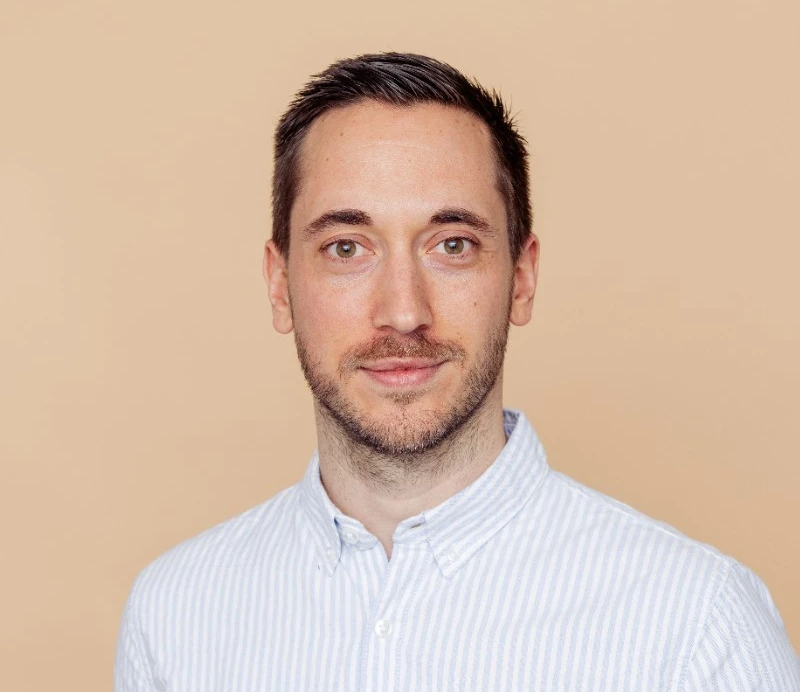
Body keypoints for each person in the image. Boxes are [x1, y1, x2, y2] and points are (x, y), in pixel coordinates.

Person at [115, 53, 799, 691]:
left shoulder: (696, 625)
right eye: (347, 247)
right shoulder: (175, 616)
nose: (403, 313)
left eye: (453, 245)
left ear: (522, 277)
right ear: (278, 284)